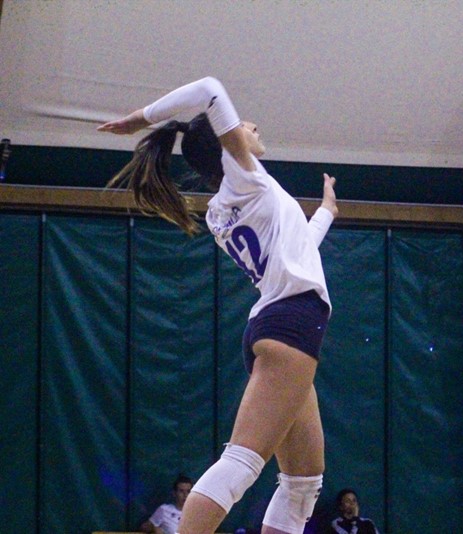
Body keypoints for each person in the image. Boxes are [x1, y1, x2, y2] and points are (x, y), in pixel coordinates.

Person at [98, 76, 338, 534]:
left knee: (303, 482)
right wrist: (140, 120)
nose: (251, 125)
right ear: (225, 147)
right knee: (242, 462)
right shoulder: (246, 178)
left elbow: (299, 250)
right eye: (242, 124)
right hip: (291, 325)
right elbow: (208, 88)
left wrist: (326, 212)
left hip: (279, 324)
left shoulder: (220, 209)